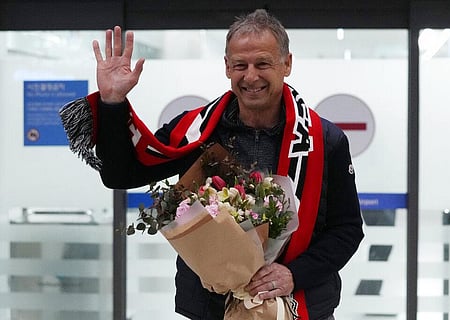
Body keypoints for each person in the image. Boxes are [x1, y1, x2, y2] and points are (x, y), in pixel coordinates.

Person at [60, 8, 364, 320]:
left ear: (287, 64)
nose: (251, 76)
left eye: (263, 64)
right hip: (210, 308)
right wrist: (112, 104)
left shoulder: (325, 140)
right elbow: (120, 175)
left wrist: (293, 274)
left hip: (301, 304)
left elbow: (347, 229)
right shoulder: (196, 131)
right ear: (226, 67)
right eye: (240, 65)